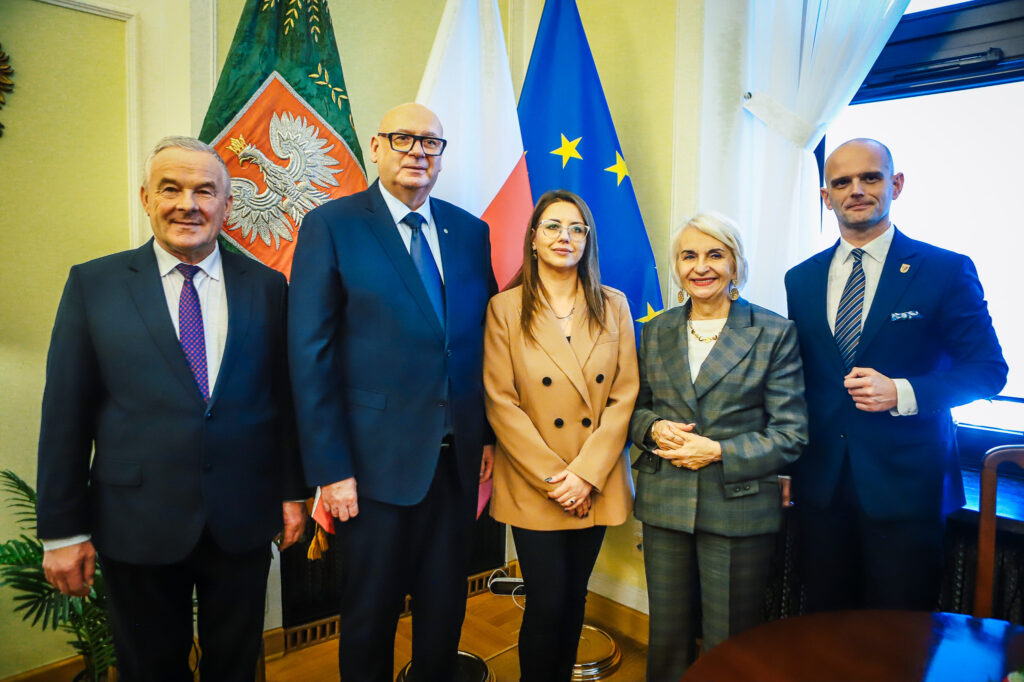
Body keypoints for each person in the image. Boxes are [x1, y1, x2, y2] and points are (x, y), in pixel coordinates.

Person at [35, 136, 307, 681]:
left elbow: (283, 400)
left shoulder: (268, 286)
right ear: (146, 198)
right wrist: (63, 532)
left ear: (227, 204)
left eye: (205, 191)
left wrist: (292, 491)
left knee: (236, 664)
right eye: (171, 189)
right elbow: (65, 414)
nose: (189, 204)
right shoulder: (94, 285)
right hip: (137, 520)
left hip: (242, 515)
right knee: (150, 669)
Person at [287, 103, 496, 682]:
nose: (417, 151)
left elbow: (482, 342)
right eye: (403, 138)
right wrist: (331, 469)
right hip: (370, 468)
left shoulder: (470, 232)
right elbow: (310, 354)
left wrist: (486, 436)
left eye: (431, 142)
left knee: (445, 608)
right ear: (376, 147)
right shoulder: (332, 226)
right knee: (369, 614)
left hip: (456, 464)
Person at [785, 138, 1007, 612]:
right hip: (821, 487)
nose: (856, 190)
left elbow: (989, 371)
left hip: (908, 489)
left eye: (870, 177)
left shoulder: (944, 270)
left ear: (896, 184)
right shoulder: (800, 278)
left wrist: (902, 392)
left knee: (900, 635)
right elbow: (797, 382)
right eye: (841, 182)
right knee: (824, 627)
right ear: (826, 197)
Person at [629, 211, 807, 679]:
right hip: (665, 500)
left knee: (728, 639)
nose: (701, 266)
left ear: (735, 264)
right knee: (666, 636)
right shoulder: (656, 330)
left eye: (715, 255)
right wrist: (652, 428)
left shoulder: (773, 332)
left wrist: (719, 451)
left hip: (738, 503)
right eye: (688, 256)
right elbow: (633, 408)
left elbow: (790, 433)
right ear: (677, 266)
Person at [483, 190, 638, 681]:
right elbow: (500, 401)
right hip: (537, 483)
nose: (564, 237)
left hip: (596, 477)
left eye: (576, 228)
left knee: (574, 598)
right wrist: (558, 478)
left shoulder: (613, 305)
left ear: (587, 240)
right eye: (552, 226)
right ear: (533, 238)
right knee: (546, 602)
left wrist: (585, 475)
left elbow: (625, 395)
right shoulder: (505, 309)